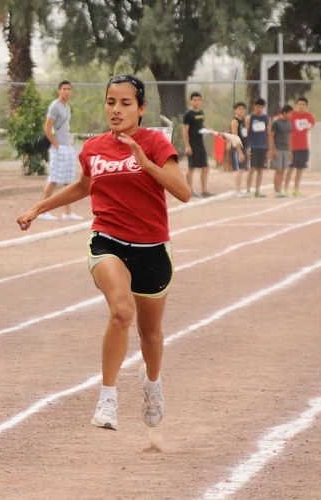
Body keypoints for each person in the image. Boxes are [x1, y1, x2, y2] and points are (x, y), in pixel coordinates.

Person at [17, 75, 191, 431]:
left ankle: (152, 385)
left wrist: (145, 162)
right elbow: (83, 186)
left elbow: (183, 192)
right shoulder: (94, 148)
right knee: (121, 312)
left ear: (141, 109)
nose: (116, 109)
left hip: (152, 248)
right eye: (111, 102)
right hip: (107, 241)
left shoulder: (155, 143)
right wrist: (38, 208)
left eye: (126, 103)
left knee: (150, 334)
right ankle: (107, 400)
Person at [37, 80, 82, 221]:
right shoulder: (55, 106)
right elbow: (47, 128)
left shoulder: (67, 107)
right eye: (64, 89)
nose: (67, 91)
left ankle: (67, 212)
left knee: (68, 180)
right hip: (59, 148)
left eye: (69, 89)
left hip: (68, 146)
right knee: (54, 179)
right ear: (59, 91)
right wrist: (56, 145)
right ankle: (43, 211)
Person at [182, 91, 214, 198]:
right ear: (191, 101)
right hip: (192, 143)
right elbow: (185, 130)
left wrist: (210, 130)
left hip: (201, 143)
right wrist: (187, 145)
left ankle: (204, 191)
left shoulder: (200, 112)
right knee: (191, 167)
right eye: (194, 100)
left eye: (198, 100)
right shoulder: (188, 114)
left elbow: (201, 125)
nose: (197, 102)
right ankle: (189, 190)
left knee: (205, 167)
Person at [284, 96, 315, 197]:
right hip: (293, 147)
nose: (301, 106)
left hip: (304, 147)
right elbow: (281, 118)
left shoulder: (308, 115)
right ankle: (285, 189)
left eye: (304, 105)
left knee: (300, 169)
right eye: (300, 104)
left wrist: (308, 128)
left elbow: (312, 122)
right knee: (290, 169)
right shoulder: (292, 114)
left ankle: (296, 189)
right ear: (296, 105)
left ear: (306, 106)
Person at [246, 97, 273, 198]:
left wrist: (269, 149)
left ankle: (257, 190)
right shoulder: (250, 118)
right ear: (254, 107)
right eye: (257, 107)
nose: (259, 109)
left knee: (260, 169)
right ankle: (248, 190)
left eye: (261, 107)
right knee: (252, 169)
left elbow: (269, 133)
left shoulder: (266, 118)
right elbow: (246, 133)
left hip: (263, 146)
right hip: (253, 146)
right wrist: (246, 147)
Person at [270, 105, 293, 197]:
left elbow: (289, 137)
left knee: (283, 170)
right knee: (278, 170)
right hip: (278, 149)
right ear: (284, 113)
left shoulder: (289, 123)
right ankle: (276, 190)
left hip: (286, 149)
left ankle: (280, 189)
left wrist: (290, 151)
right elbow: (271, 136)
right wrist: (273, 150)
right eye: (290, 113)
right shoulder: (276, 123)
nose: (291, 115)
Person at [229, 102, 250, 197]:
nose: (241, 111)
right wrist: (239, 150)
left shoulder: (244, 121)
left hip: (244, 147)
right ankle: (237, 190)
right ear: (235, 110)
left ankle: (240, 190)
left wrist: (247, 149)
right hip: (237, 148)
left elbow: (245, 136)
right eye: (239, 109)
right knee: (239, 170)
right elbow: (235, 136)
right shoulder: (235, 122)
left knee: (242, 169)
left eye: (243, 109)